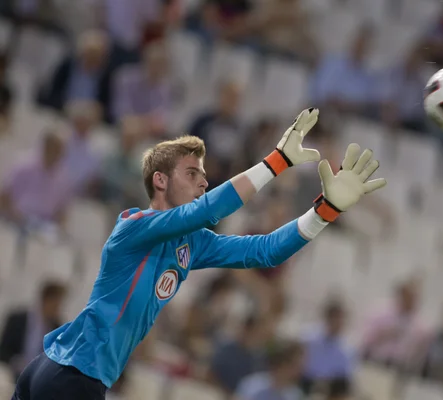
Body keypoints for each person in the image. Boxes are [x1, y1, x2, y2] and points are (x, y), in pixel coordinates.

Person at [11, 108, 387, 399]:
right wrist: (276, 162)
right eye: (192, 173)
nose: (204, 181)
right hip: (73, 375)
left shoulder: (194, 244)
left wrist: (326, 210)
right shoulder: (134, 225)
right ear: (160, 180)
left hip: (62, 371)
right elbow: (208, 209)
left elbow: (267, 251)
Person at [0, 282, 66, 380]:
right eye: (56, 304)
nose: (58, 309)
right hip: (11, 373)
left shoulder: (57, 328)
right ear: (46, 300)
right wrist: (15, 362)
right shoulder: (17, 319)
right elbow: (3, 350)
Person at [236, 340, 305, 400]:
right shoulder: (252, 385)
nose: (300, 368)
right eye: (295, 364)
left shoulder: (296, 394)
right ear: (282, 364)